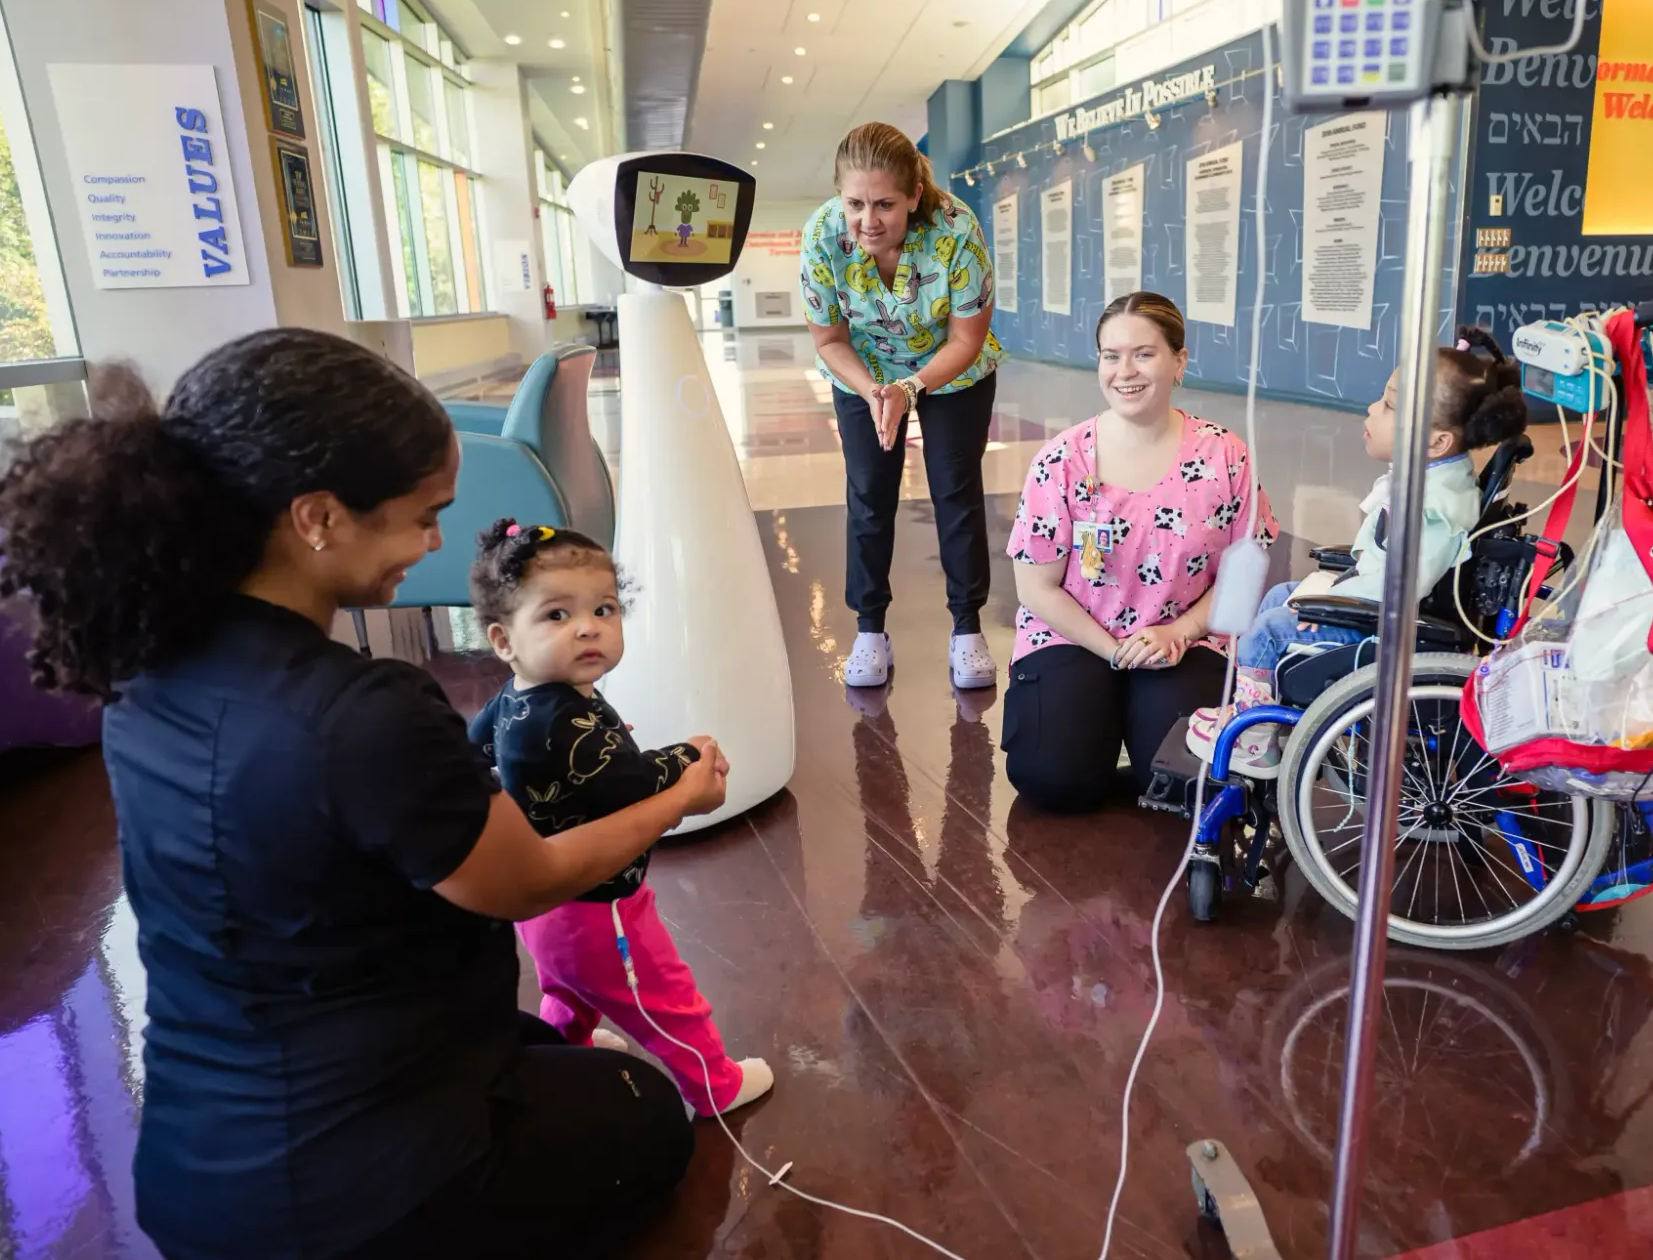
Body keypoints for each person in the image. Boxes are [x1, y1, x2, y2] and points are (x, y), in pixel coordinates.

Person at [0, 330, 726, 1260]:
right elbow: (525, 879)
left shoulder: (144, 673)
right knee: (648, 1107)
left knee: (546, 1044)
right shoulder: (361, 711)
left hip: (195, 1177)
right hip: (359, 1205)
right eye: (422, 516)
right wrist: (676, 795)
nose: (435, 542)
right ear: (319, 517)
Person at [466, 519, 773, 1118]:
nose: (588, 627)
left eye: (604, 609)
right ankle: (714, 1085)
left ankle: (562, 1045)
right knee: (661, 995)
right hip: (599, 906)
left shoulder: (518, 696)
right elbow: (625, 784)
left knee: (567, 985)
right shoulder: (558, 717)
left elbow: (475, 749)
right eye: (556, 615)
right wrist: (690, 755)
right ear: (503, 639)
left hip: (547, 900)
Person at [1185, 334, 1529, 773]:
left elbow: (1401, 585)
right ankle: (1265, 716)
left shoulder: (1426, 509)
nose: (1371, 409)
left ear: (1435, 442)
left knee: (1267, 632)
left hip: (1382, 628)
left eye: (1389, 405)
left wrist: (1333, 609)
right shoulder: (1439, 480)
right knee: (1276, 600)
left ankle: (1254, 742)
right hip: (1380, 604)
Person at [1002, 292, 1278, 813]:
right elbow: (1034, 586)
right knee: (1052, 780)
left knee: (1185, 784)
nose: (1124, 371)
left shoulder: (1225, 455)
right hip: (1076, 635)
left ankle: (1134, 728)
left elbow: (1244, 575)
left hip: (1182, 641)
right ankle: (1097, 729)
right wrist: (1111, 650)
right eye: (1111, 355)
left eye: (1144, 353)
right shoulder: (1062, 460)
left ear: (1179, 361)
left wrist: (1181, 631)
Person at [801, 121, 1004, 693]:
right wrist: (873, 391)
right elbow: (829, 340)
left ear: (915, 195)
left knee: (954, 489)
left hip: (950, 369)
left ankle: (967, 629)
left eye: (885, 204)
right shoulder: (822, 236)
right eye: (855, 204)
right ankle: (869, 631)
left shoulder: (958, 230)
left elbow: (966, 340)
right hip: (860, 370)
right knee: (869, 491)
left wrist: (912, 387)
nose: (869, 221)